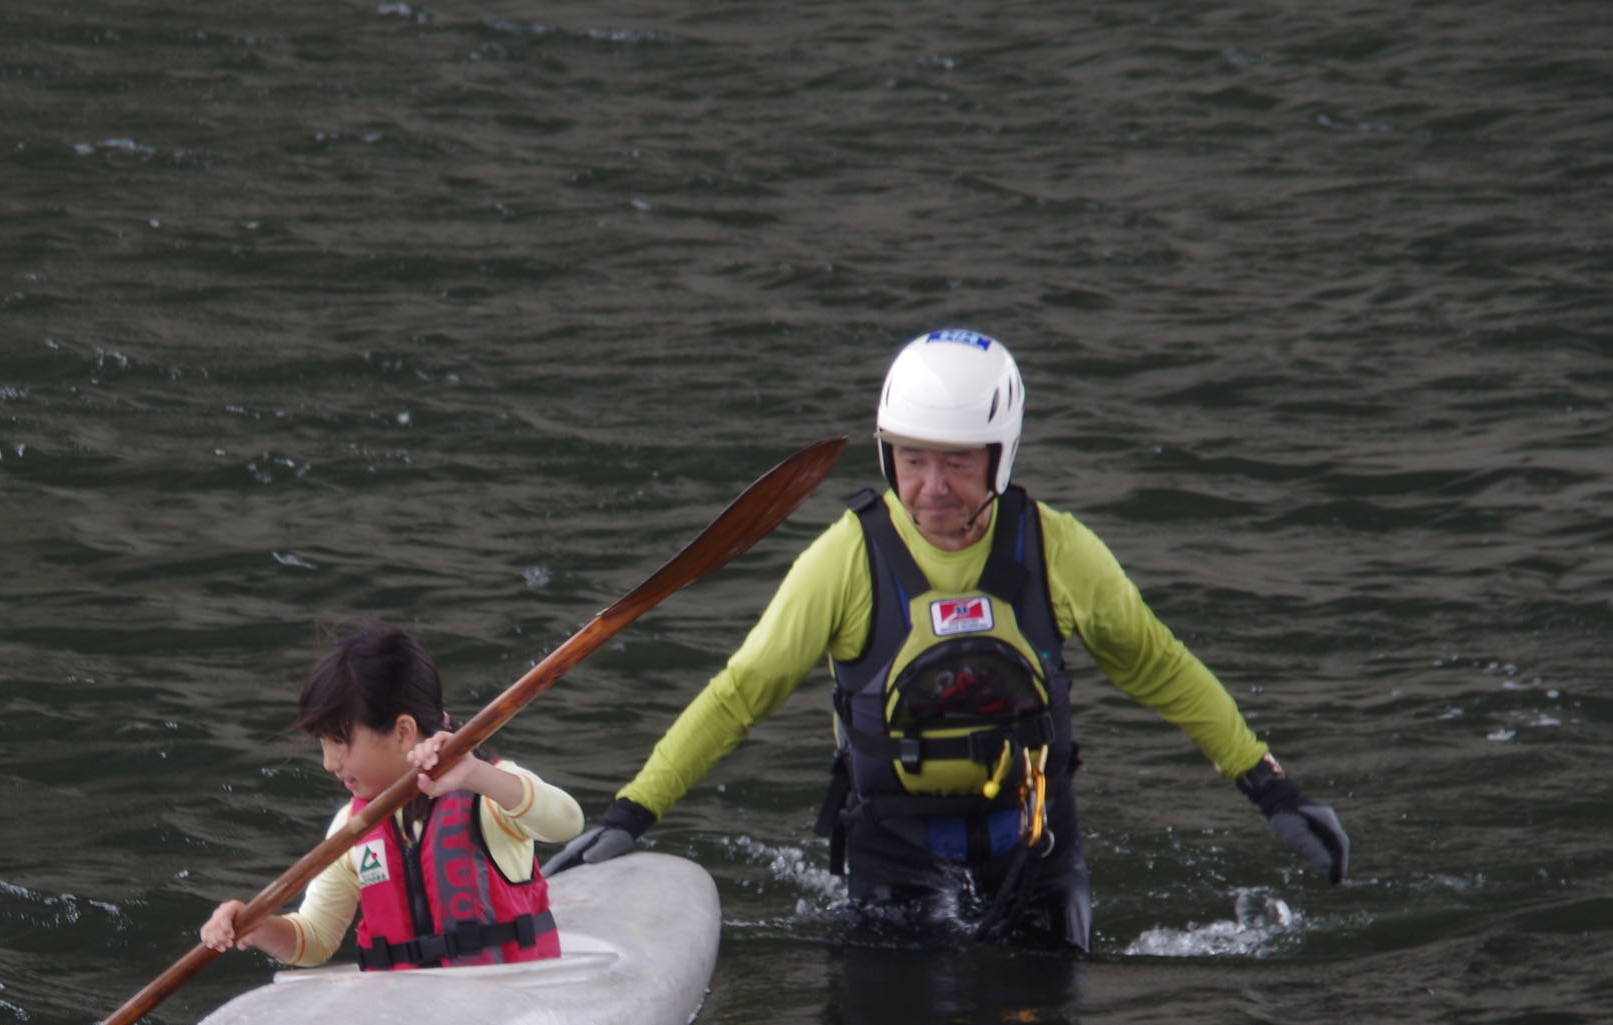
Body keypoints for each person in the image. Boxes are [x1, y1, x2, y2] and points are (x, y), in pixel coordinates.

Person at [548, 328, 1347, 950]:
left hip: (1035, 849)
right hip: (894, 853)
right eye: (912, 460)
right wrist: (633, 811)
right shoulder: (845, 559)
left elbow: (1163, 670)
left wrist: (1272, 788)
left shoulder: (1060, 552)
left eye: (957, 463)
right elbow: (741, 691)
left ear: (999, 459)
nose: (930, 487)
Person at [201, 621, 584, 969]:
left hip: (503, 999)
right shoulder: (351, 825)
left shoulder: (487, 790)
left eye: (339, 741)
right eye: (322, 743)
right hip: (409, 1013)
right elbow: (316, 939)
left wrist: (479, 776)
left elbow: (567, 822)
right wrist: (257, 926)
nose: (328, 762)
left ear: (402, 732)